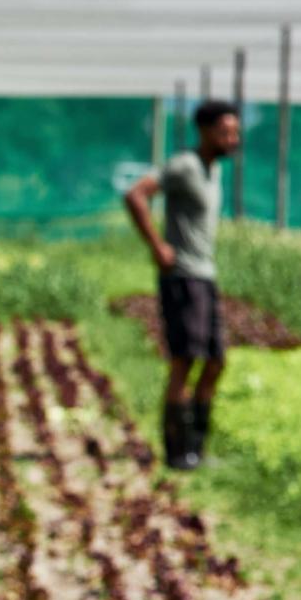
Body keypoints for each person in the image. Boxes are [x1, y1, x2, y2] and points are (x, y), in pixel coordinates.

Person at [121, 100, 242, 470]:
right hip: (183, 276)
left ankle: (197, 447)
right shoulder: (185, 166)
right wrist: (158, 247)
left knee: (216, 362)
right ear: (205, 131)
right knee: (184, 362)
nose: (232, 139)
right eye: (225, 132)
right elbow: (136, 195)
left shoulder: (212, 169)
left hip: (204, 275)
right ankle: (178, 453)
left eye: (235, 131)